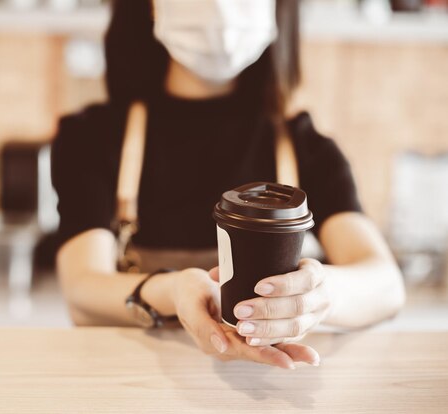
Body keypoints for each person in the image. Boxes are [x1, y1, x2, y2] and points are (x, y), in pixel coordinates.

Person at [51, 0, 405, 369]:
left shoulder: (305, 147)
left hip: (273, 389)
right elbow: (82, 288)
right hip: (136, 384)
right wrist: (173, 291)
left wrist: (320, 294)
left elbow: (385, 286)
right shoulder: (91, 139)